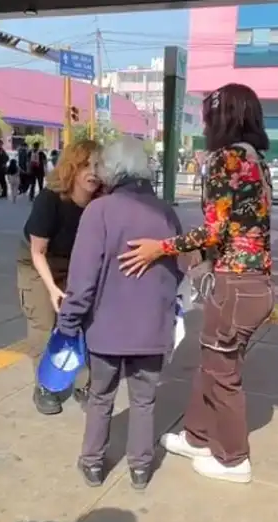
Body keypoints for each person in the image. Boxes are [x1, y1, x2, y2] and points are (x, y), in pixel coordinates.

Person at [119, 83, 274, 484]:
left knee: (222, 374)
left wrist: (161, 248)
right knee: (210, 365)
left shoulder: (227, 158)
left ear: (223, 118)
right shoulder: (256, 159)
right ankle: (197, 435)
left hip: (236, 285)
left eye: (208, 116)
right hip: (250, 284)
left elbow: (215, 230)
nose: (205, 124)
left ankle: (233, 458)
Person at [56, 137, 184, 490]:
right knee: (144, 400)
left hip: (107, 329)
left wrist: (67, 323)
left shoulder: (100, 211)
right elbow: (181, 270)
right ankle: (141, 469)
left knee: (101, 397)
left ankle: (93, 462)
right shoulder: (166, 213)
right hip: (152, 329)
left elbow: (83, 279)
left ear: (110, 170)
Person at [18, 140, 100, 416]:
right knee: (45, 321)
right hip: (39, 262)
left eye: (99, 166)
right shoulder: (49, 200)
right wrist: (53, 289)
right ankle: (46, 386)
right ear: (72, 168)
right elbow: (37, 250)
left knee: (85, 322)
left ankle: (84, 384)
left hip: (77, 264)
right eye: (86, 165)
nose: (93, 172)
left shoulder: (101, 203)